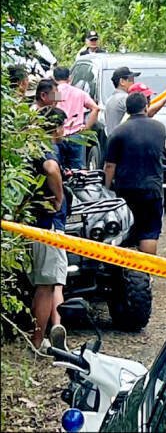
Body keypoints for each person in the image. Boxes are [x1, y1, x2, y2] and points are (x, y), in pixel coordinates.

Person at [27, 106, 69, 353]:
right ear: (57, 128)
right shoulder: (48, 148)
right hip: (48, 225)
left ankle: (40, 335)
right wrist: (59, 195)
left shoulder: (32, 146)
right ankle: (38, 342)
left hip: (36, 223)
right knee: (47, 284)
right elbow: (51, 169)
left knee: (43, 283)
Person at [103, 92, 166, 255]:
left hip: (126, 189)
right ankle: (147, 274)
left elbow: (110, 165)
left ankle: (128, 272)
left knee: (127, 230)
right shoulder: (159, 128)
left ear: (127, 109)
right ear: (145, 107)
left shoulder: (118, 132)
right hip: (152, 188)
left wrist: (106, 189)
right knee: (149, 232)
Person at [53, 66, 100, 170]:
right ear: (70, 78)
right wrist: (86, 128)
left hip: (57, 135)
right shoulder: (79, 93)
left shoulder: (56, 94)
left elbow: (51, 107)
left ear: (54, 78)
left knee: (58, 167)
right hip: (76, 135)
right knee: (77, 169)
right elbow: (95, 109)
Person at [104, 66, 140, 137]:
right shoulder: (124, 98)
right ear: (122, 82)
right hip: (123, 142)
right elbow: (143, 113)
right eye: (131, 80)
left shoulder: (110, 99)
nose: (133, 83)